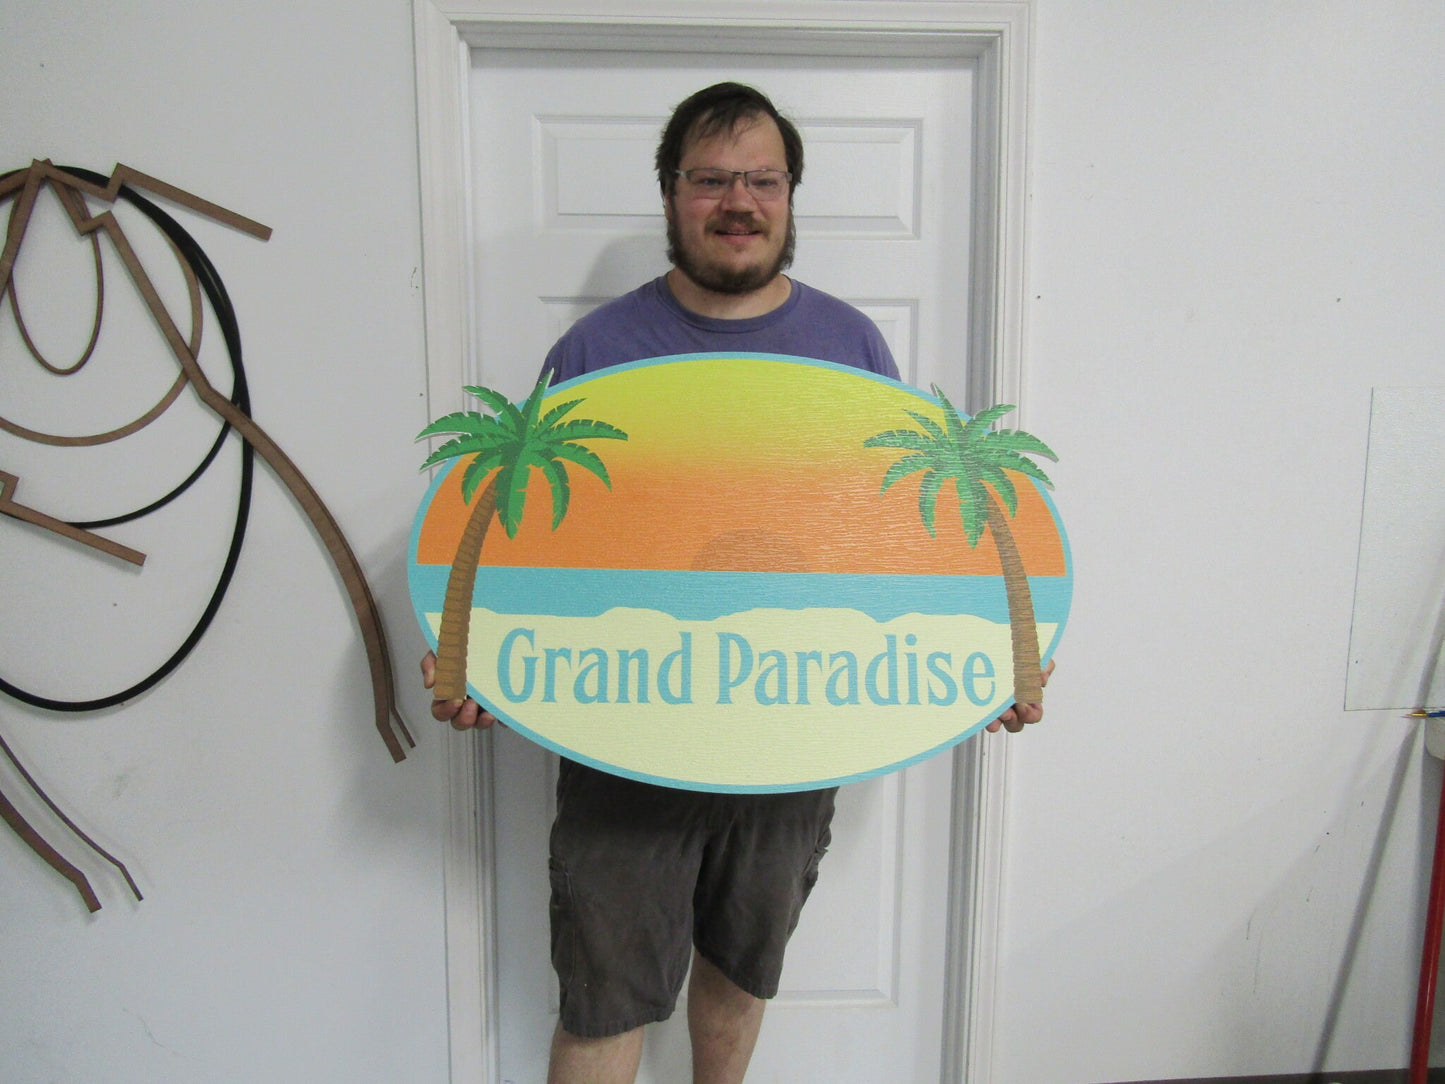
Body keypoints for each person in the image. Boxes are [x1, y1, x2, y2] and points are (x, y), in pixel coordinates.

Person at [422, 82, 1051, 1084]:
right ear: (670, 194)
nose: (738, 202)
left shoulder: (852, 350)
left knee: (741, 970)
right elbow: (532, 535)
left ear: (791, 194)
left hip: (792, 730)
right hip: (623, 735)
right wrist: (479, 664)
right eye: (710, 179)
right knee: (602, 994)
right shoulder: (596, 352)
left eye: (762, 179)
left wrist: (986, 666)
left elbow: (902, 543)